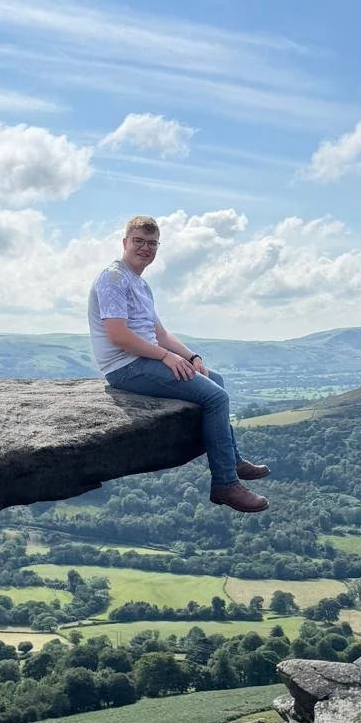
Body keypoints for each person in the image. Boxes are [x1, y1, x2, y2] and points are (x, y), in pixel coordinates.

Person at [88, 214, 270, 513]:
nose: (145, 248)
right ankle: (225, 484)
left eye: (152, 243)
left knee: (216, 380)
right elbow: (118, 335)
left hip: (142, 360)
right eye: (139, 241)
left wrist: (192, 357)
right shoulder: (114, 277)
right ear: (124, 242)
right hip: (125, 367)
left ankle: (233, 461)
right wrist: (164, 356)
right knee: (216, 396)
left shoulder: (140, 285)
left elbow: (159, 334)